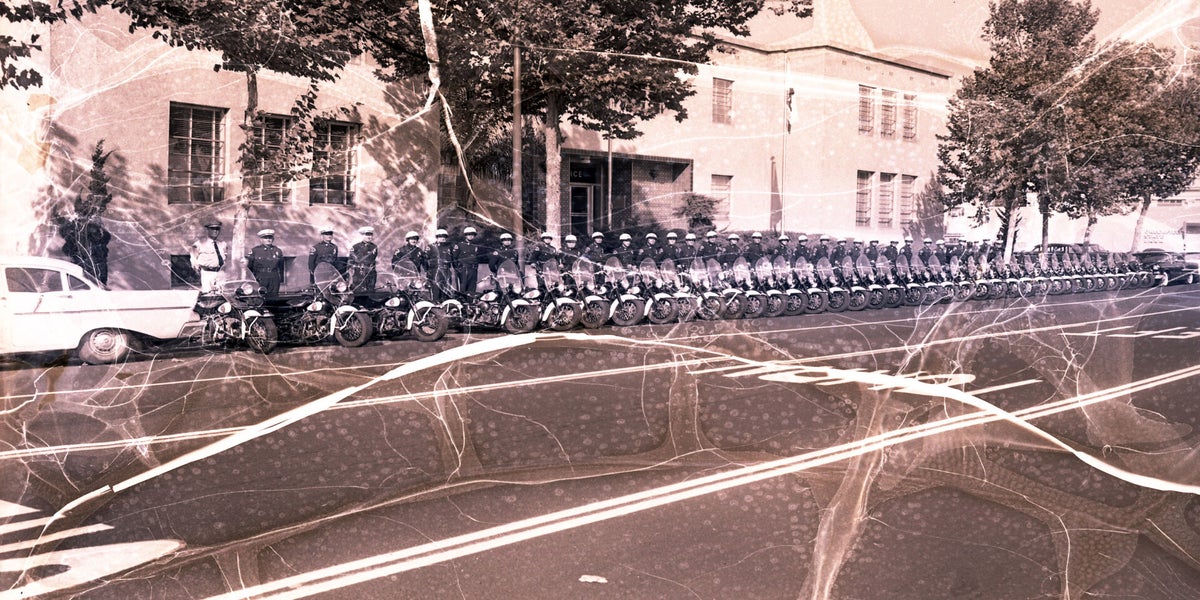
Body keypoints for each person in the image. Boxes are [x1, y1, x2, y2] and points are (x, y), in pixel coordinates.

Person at [190, 219, 228, 292]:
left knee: (222, 294)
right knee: (208, 294)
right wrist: (199, 272)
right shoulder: (199, 244)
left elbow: (225, 259)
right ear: (207, 230)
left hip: (221, 273)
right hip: (207, 273)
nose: (215, 231)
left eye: (217, 229)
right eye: (212, 229)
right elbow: (194, 261)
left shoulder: (222, 245)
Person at [245, 229, 285, 298]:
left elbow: (281, 266)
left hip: (274, 278)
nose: (268, 240)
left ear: (273, 239)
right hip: (260, 278)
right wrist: (252, 279)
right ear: (261, 239)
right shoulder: (255, 250)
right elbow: (249, 267)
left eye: (270, 238)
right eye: (266, 238)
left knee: (274, 298)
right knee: (260, 298)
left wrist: (280, 278)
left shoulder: (278, 251)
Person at [347, 226, 379, 293]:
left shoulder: (374, 247)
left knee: (370, 291)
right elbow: (350, 261)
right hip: (359, 273)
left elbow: (373, 259)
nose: (369, 237)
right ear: (363, 235)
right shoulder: (356, 247)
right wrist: (350, 273)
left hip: (370, 274)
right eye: (367, 235)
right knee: (358, 292)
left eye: (371, 235)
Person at [428, 228, 456, 301]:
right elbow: (425, 259)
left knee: (446, 289)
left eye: (444, 237)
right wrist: (428, 271)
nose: (443, 238)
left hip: (446, 270)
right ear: (437, 237)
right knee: (436, 289)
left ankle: (445, 304)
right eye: (440, 236)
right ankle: (436, 303)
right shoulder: (431, 247)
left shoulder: (449, 247)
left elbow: (453, 258)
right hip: (436, 270)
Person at [455, 226, 484, 296]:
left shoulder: (475, 246)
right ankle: (463, 302)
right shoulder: (460, 245)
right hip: (464, 269)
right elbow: (455, 258)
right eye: (469, 234)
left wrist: (476, 267)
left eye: (472, 234)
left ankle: (470, 302)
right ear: (465, 235)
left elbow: (477, 258)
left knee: (472, 288)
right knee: (463, 288)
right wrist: (458, 269)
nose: (471, 236)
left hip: (473, 269)